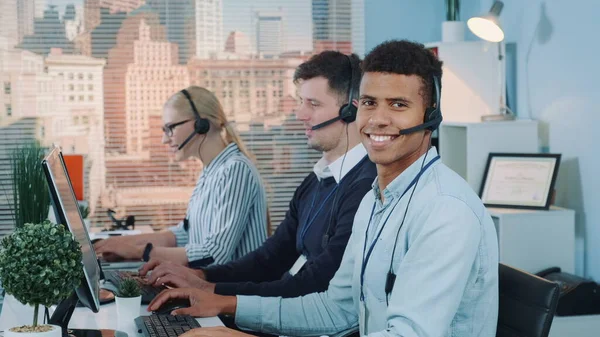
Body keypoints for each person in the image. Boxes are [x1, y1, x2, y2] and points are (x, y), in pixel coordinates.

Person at [147, 40, 500, 337]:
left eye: (398, 105)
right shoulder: (378, 201)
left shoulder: (445, 211)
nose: (377, 118)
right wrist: (226, 303)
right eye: (368, 102)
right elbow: (335, 308)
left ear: (431, 115)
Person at [139, 51, 377, 302]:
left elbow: (314, 285)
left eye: (313, 104)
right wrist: (201, 277)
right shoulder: (316, 180)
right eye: (301, 102)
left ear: (350, 112)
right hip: (281, 306)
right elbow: (270, 258)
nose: (299, 114)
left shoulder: (364, 188)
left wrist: (214, 293)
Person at [94, 86, 268, 266]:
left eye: (170, 128)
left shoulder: (235, 170)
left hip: (233, 290)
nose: (165, 139)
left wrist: (139, 252)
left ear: (201, 124)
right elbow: (186, 234)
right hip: (211, 285)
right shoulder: (210, 172)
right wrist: (122, 243)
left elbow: (213, 254)